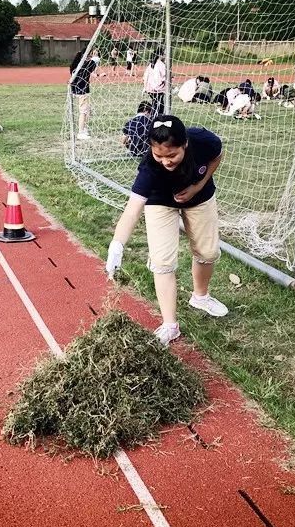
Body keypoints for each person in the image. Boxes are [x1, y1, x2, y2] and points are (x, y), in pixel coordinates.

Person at [105, 115, 229, 345]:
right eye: (158, 155)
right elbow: (132, 210)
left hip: (199, 197)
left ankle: (200, 297)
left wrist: (197, 186)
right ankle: (170, 324)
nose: (166, 161)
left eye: (172, 155)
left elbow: (218, 154)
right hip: (160, 201)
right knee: (162, 260)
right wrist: (117, 245)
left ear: (185, 144)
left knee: (208, 252)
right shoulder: (149, 168)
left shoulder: (203, 140)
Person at [70, 48, 102, 140]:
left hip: (77, 90)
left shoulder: (75, 65)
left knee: (87, 111)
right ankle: (80, 132)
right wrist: (95, 56)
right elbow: (95, 62)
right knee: (83, 112)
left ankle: (84, 129)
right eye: (90, 54)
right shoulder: (87, 64)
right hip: (82, 91)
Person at [143, 50, 167, 115]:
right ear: (160, 55)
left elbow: (145, 76)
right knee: (159, 106)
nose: (165, 56)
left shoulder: (151, 64)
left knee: (156, 103)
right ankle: (157, 118)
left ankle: (154, 116)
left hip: (150, 88)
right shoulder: (161, 64)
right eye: (164, 55)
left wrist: (145, 87)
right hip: (158, 89)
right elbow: (165, 76)